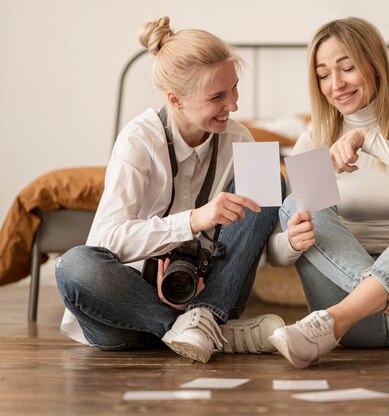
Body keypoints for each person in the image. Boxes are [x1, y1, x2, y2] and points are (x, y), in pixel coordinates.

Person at [55, 16, 285, 364]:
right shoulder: (138, 141)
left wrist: (292, 239)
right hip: (128, 313)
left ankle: (204, 320)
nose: (234, 105)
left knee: (271, 175)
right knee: (74, 267)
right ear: (176, 100)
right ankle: (202, 331)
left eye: (234, 88)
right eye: (218, 96)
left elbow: (255, 243)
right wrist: (192, 221)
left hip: (211, 294)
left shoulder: (239, 140)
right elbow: (108, 241)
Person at [265, 17, 389, 369]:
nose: (336, 84)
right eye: (324, 74)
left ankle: (335, 320)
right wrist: (291, 243)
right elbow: (274, 256)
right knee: (296, 203)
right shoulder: (314, 141)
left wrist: (371, 141)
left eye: (347, 68)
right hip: (366, 325)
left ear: (375, 66)